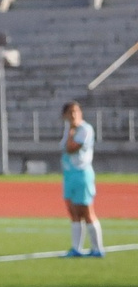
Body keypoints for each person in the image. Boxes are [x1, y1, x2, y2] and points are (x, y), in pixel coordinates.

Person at [59, 101, 104, 257]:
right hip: (69, 174)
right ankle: (76, 248)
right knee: (73, 212)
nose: (73, 115)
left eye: (76, 111)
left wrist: (71, 131)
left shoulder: (85, 129)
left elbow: (71, 148)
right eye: (70, 112)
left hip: (81, 174)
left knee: (87, 211)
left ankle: (97, 249)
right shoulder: (69, 129)